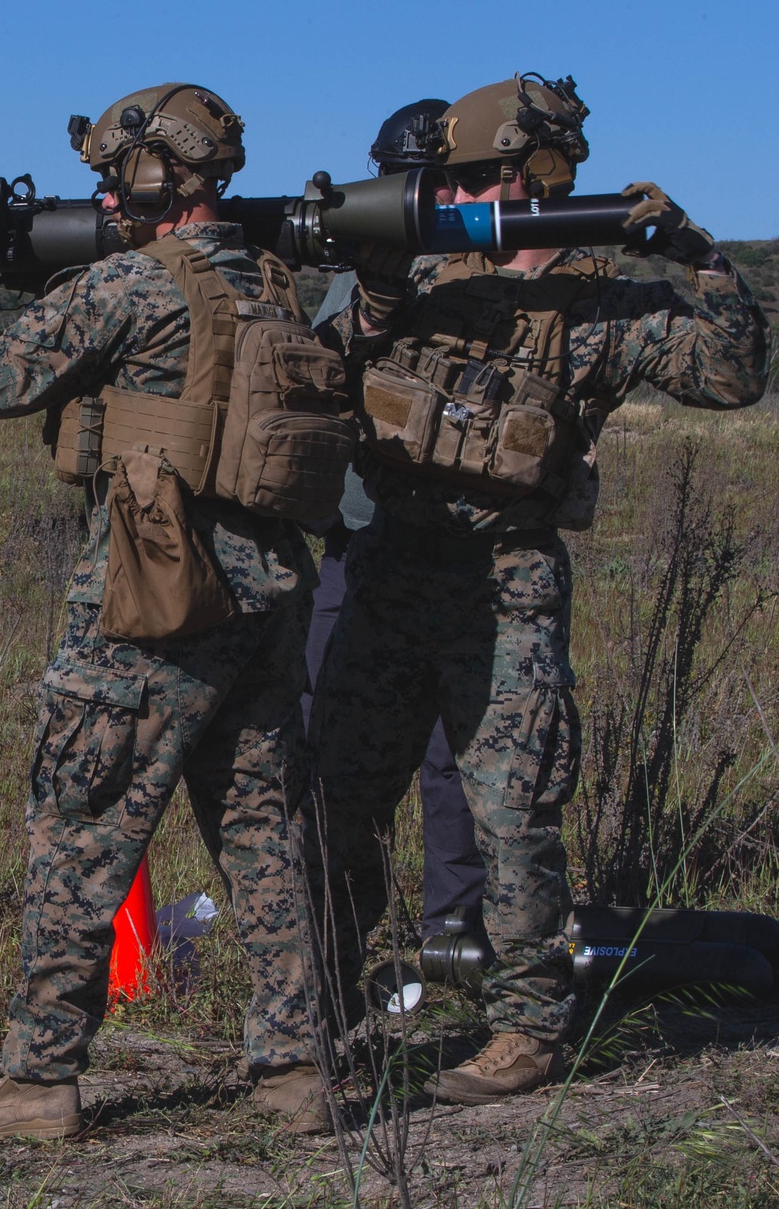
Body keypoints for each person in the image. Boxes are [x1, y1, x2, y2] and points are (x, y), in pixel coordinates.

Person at [304, 72, 771, 1104]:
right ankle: (320, 1022)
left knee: (512, 814)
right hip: (387, 571)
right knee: (337, 805)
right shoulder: (419, 272)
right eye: (475, 172)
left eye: (504, 169)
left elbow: (734, 375)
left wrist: (696, 257)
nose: (489, 185)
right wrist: (367, 272)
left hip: (504, 583)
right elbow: (314, 375)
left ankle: (524, 1031)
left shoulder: (600, 300)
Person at [0, 83, 341, 1137]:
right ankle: (296, 1072)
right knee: (263, 838)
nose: (99, 190)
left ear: (154, 173)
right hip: (266, 596)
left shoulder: (133, 286)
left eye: (113, 172)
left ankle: (39, 1080)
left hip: (150, 600)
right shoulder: (272, 284)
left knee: (78, 828)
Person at [302, 99, 486, 941]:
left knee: (460, 750)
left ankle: (454, 927)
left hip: (457, 552)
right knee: (337, 741)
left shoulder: (481, 274)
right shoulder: (357, 276)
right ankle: (339, 925)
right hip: (357, 548)